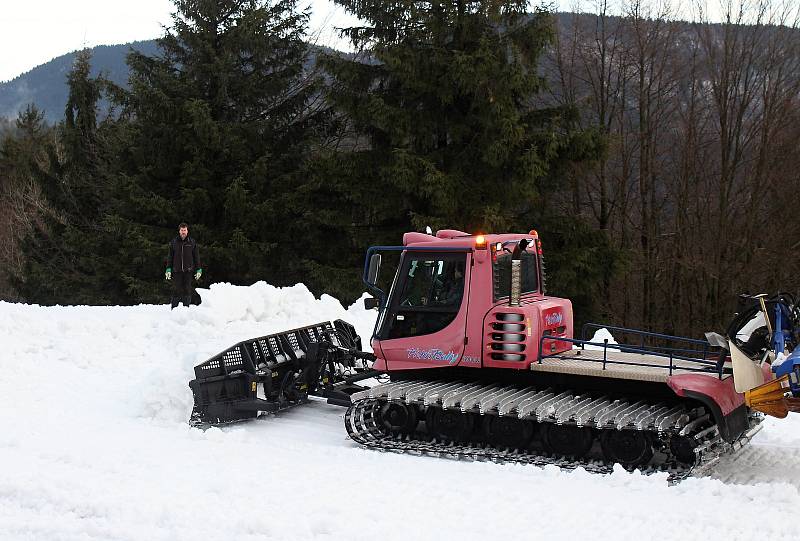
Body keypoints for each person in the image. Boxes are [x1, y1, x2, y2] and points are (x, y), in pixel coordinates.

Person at [165, 223, 202, 309]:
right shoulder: (174, 242)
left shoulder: (192, 242)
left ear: (187, 231)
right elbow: (170, 257)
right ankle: (174, 309)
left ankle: (186, 309)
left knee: (187, 290)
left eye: (185, 230)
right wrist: (168, 269)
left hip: (188, 271)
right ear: (179, 231)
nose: (183, 232)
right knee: (176, 290)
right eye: (182, 230)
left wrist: (199, 269)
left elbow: (196, 257)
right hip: (177, 270)